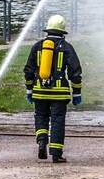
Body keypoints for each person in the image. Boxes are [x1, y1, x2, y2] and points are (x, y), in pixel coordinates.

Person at [23, 14, 83, 163]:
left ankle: (42, 141)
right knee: (57, 120)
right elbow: (75, 72)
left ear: (48, 30)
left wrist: (30, 90)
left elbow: (28, 70)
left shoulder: (37, 47)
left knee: (41, 116)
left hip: (40, 91)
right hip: (59, 94)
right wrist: (76, 93)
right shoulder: (67, 48)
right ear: (63, 31)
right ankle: (56, 154)